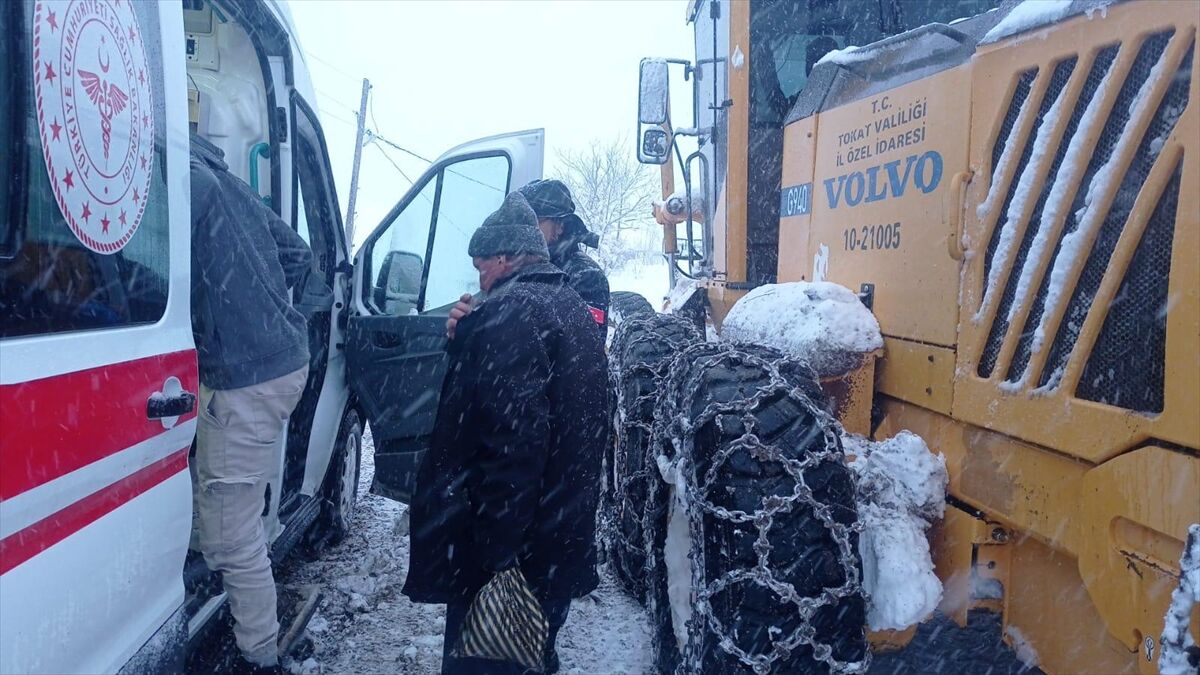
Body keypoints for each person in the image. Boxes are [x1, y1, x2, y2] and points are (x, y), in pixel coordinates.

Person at [403, 192, 608, 675]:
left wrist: (495, 557)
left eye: (481, 265)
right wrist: (468, 339)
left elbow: (513, 443)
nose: (480, 278)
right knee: (531, 656)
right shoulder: (566, 305)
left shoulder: (514, 313)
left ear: (504, 257)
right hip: (554, 541)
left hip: (516, 553)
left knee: (485, 662)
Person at [190, 136, 312, 675]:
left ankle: (260, 657)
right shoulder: (229, 182)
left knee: (231, 536)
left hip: (246, 379)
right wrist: (258, 307)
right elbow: (298, 256)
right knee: (239, 498)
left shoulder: (185, 179)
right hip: (286, 359)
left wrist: (229, 320)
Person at [446, 179, 609, 339]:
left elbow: (584, 349)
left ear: (560, 226)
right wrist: (473, 322)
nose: (525, 227)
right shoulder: (519, 265)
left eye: (534, 220)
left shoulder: (587, 276)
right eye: (522, 220)